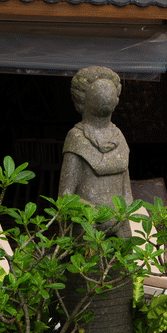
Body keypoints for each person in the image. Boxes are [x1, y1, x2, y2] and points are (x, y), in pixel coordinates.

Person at [57, 66, 132, 236]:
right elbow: (66, 195)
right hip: (88, 223)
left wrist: (121, 214)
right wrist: (93, 214)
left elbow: (126, 190)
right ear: (82, 100)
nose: (106, 97)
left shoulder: (119, 136)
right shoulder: (77, 137)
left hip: (120, 223)